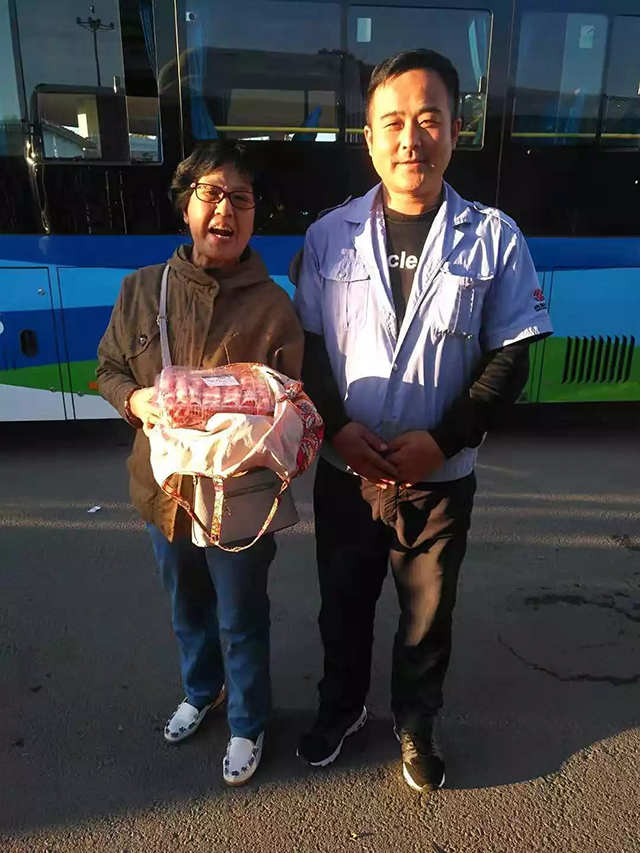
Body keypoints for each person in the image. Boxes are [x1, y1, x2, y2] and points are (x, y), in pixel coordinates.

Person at [293, 49, 552, 793]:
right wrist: (337, 429)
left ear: (455, 130)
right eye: (394, 122)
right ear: (369, 138)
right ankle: (342, 708)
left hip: (440, 478)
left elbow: (510, 359)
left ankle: (416, 721)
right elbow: (306, 351)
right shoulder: (328, 236)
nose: (412, 139)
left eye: (429, 119)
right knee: (343, 606)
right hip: (346, 471)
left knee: (426, 616)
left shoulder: (495, 237)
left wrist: (440, 442)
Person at [97, 141, 303, 786]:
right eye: (211, 194)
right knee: (187, 605)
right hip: (164, 489)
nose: (225, 211)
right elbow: (108, 368)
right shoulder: (141, 291)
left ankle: (248, 721)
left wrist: (259, 421)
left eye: (241, 198)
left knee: (240, 614)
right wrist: (135, 400)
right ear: (186, 206)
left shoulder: (275, 306)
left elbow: (293, 404)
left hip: (240, 495)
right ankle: (201, 689)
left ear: (254, 214)